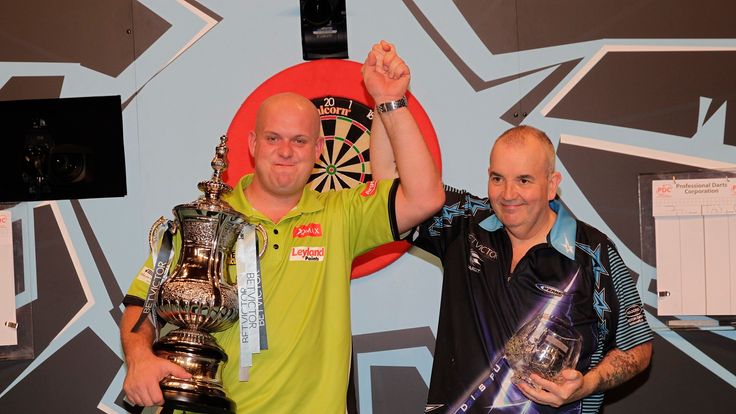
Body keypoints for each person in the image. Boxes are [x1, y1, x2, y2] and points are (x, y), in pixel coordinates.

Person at [120, 40, 444, 413]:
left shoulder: (341, 214)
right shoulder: (207, 220)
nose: (286, 151)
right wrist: (140, 358)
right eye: (273, 138)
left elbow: (425, 197)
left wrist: (390, 101)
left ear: (319, 150)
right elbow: (140, 304)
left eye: (299, 140)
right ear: (254, 144)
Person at [371, 124, 653, 413]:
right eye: (498, 178)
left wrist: (587, 385)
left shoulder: (594, 253)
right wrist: (384, 101)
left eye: (524, 180)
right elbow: (391, 184)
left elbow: (638, 348)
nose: (508, 194)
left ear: (552, 184)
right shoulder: (464, 222)